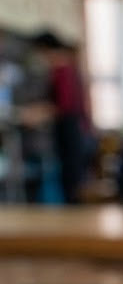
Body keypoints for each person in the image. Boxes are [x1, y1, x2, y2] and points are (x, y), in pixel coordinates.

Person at [27, 31, 92, 204]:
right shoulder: (67, 68)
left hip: (70, 132)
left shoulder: (63, 70)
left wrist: (38, 113)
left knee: (71, 184)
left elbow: (65, 105)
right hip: (72, 131)